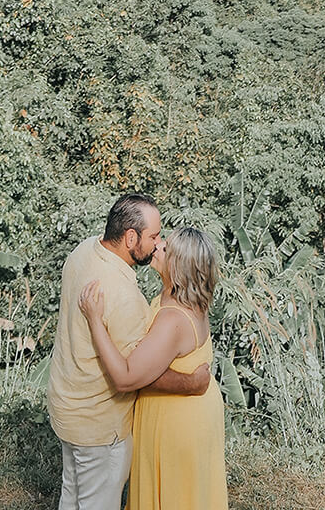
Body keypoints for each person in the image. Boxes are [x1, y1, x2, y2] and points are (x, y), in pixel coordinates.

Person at [48, 194, 212, 510]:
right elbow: (135, 375)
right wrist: (192, 383)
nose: (158, 243)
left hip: (66, 406)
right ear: (131, 237)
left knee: (71, 496)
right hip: (99, 425)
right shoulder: (124, 296)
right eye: (153, 237)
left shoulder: (85, 250)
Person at [79, 225, 226, 510]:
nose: (157, 247)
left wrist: (95, 320)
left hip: (177, 422)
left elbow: (126, 378)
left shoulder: (173, 319)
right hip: (193, 410)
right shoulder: (185, 296)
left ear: (181, 267)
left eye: (166, 249)